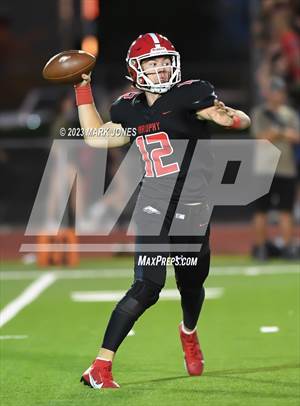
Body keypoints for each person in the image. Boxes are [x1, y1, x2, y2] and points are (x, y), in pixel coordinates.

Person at [74, 33, 251, 389]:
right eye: (152, 63)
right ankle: (100, 366)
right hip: (154, 203)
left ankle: (188, 331)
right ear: (135, 69)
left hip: (195, 206)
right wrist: (81, 88)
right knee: (147, 287)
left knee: (191, 284)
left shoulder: (192, 94)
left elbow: (236, 118)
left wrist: (227, 115)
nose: (160, 68)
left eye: (164, 61)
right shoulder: (128, 108)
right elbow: (95, 136)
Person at [251, 76, 300, 260]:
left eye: (280, 91)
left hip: (286, 168)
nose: (277, 95)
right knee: (261, 211)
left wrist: (277, 132)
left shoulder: (289, 113)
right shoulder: (260, 112)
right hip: (264, 169)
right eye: (274, 91)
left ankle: (287, 248)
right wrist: (280, 132)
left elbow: (296, 136)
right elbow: (260, 137)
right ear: (268, 93)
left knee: (286, 211)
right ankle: (262, 248)